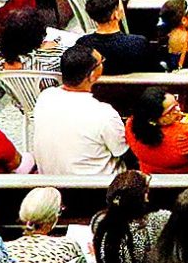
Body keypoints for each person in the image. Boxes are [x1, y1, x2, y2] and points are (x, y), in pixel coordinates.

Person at [32, 44, 131, 175]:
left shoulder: (45, 97)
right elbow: (122, 150)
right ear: (91, 75)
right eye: (101, 62)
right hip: (97, 186)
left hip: (52, 180)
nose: (103, 64)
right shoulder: (104, 114)